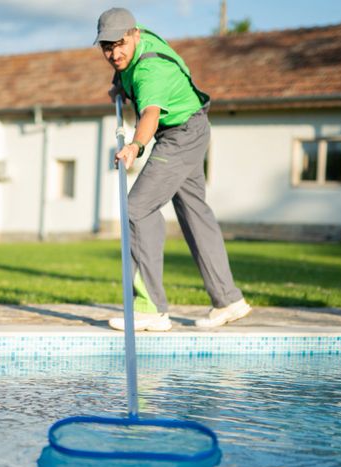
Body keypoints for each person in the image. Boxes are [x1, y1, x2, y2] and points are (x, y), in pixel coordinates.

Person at [95, 7, 251, 331]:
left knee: (137, 208)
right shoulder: (131, 54)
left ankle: (150, 308)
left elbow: (150, 114)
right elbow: (125, 72)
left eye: (119, 44)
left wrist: (135, 146)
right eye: (106, 46)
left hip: (180, 134)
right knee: (195, 215)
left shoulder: (149, 71)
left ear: (135, 34)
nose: (114, 53)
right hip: (192, 127)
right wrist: (119, 87)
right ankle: (228, 300)